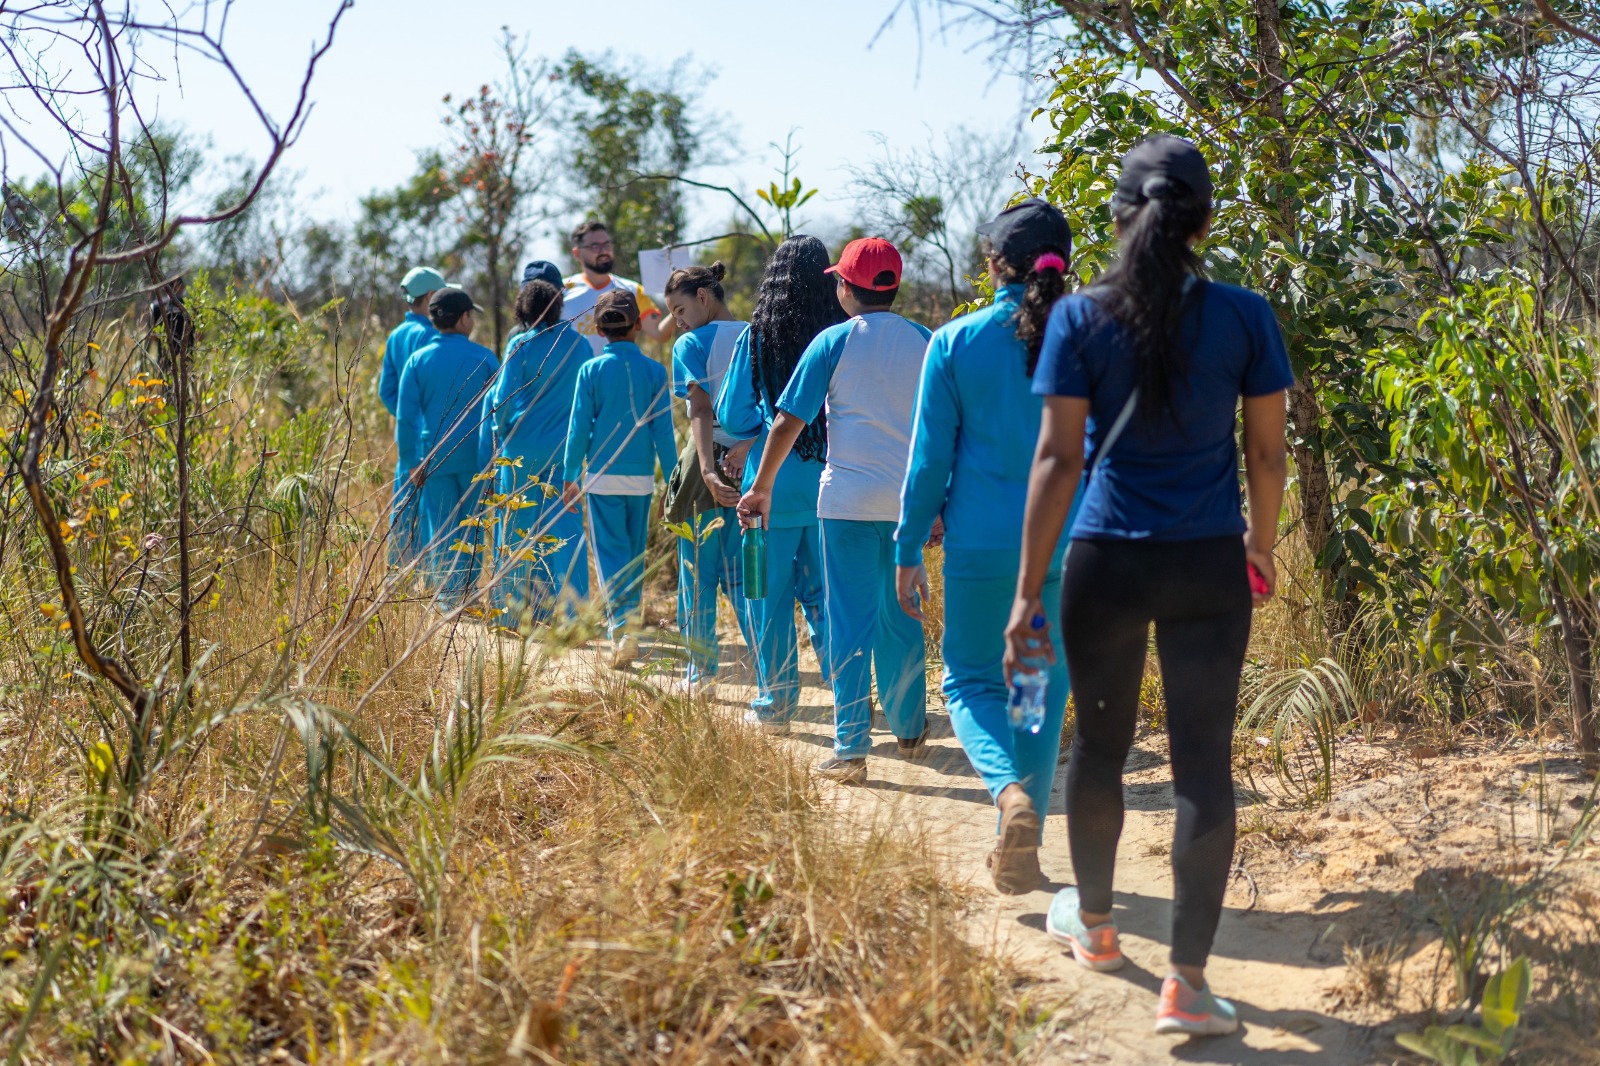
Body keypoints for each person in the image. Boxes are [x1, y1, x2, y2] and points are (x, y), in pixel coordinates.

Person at [1005, 136, 1290, 1036]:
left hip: (1107, 564)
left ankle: (1095, 930)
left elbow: (1056, 461)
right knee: (1204, 762)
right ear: (1203, 222)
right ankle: (1188, 986)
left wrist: (1026, 593)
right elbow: (1268, 454)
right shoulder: (1246, 316)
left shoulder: (1079, 320)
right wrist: (1261, 544)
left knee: (1099, 749)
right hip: (1208, 564)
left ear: (1121, 217)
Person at [895, 198, 1074, 894]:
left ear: (995, 264)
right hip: (1065, 545)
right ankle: (1022, 837)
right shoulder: (1089, 338)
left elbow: (928, 462)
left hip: (980, 546)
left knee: (971, 679)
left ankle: (1008, 797)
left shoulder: (956, 342)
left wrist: (908, 546)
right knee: (1034, 685)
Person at [737, 237, 932, 783]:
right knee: (902, 612)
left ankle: (850, 750)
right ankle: (910, 729)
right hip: (906, 505)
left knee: (849, 621)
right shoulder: (925, 340)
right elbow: (945, 426)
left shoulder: (832, 341)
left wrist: (762, 486)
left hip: (846, 504)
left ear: (846, 287)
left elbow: (787, 422)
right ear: (893, 286)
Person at [714, 236, 843, 734]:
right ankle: (848, 697)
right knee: (826, 599)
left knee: (764, 599)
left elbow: (731, 415)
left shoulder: (757, 336)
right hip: (831, 483)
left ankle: (776, 707)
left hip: (766, 489)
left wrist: (764, 429)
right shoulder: (838, 332)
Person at [562, 289, 678, 668]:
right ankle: (630, 625)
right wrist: (674, 481)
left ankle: (622, 630)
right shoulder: (655, 372)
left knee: (610, 557)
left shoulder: (590, 371)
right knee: (633, 555)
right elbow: (664, 434)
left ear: (599, 330)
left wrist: (569, 476)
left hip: (601, 479)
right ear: (638, 326)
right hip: (641, 480)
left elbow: (579, 429)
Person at [663, 262, 755, 693]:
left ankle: (700, 674)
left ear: (703, 297)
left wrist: (706, 469)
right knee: (746, 575)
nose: (678, 322)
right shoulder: (757, 333)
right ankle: (769, 669)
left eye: (680, 310)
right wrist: (749, 447)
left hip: (708, 464)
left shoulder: (690, 344)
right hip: (754, 463)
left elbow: (700, 409)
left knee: (696, 576)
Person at [482, 261, 592, 621]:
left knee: (515, 532)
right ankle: (572, 617)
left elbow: (502, 400)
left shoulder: (520, 344)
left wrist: (501, 431)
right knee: (566, 531)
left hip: (520, 452)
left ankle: (510, 615)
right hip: (565, 454)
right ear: (559, 302)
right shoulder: (580, 345)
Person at [397, 287, 500, 603]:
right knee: (473, 526)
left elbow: (405, 418)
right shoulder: (484, 358)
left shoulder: (417, 360)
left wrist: (411, 461)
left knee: (439, 526)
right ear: (465, 317)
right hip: (475, 458)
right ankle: (467, 593)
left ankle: (447, 597)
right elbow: (499, 412)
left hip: (433, 457)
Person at [381, 267, 447, 565]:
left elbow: (386, 390)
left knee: (404, 513)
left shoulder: (396, 335)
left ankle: (400, 579)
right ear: (431, 296)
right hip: (429, 440)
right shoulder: (431, 336)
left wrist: (406, 419)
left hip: (407, 441)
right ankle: (432, 581)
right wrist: (423, 421)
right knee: (433, 516)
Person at [561, 221, 675, 355]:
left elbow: (659, 334)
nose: (604, 251)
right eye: (595, 246)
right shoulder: (561, 291)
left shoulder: (632, 290)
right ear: (577, 253)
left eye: (607, 244)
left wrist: (678, 304)